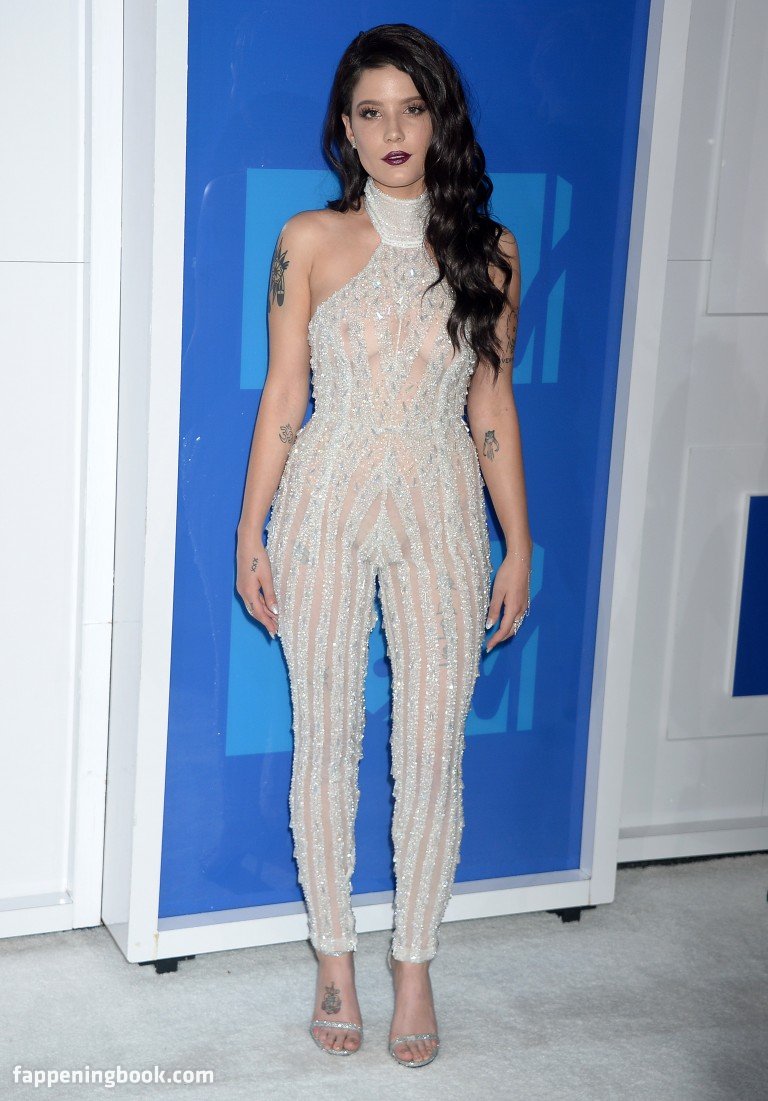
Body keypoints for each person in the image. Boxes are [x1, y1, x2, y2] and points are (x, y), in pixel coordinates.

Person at [236, 23, 532, 1068]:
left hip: (443, 506)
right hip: (324, 499)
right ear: (347, 128)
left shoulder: (492, 251)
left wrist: (518, 542)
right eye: (371, 111)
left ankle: (414, 964)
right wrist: (250, 529)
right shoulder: (308, 240)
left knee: (433, 749)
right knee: (324, 738)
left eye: (411, 108)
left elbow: (490, 404)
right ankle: (334, 957)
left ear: (440, 119)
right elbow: (286, 392)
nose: (393, 130)